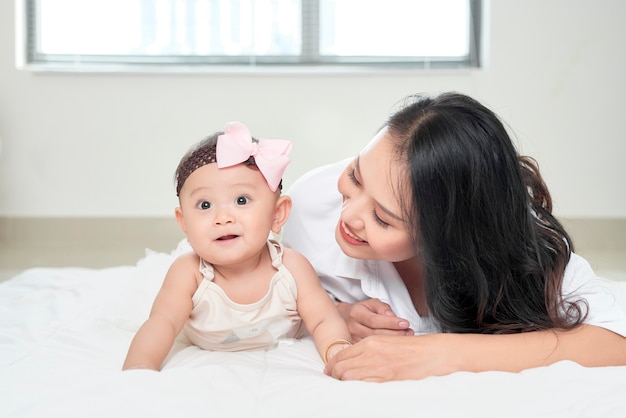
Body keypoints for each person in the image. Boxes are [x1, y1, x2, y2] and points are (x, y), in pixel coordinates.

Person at [282, 92, 626, 382]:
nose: (349, 216)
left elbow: (615, 340)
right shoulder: (312, 205)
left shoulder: (517, 247)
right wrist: (340, 314)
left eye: (383, 219)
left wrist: (445, 353)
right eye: (355, 177)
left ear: (447, 237)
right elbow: (274, 293)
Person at [123, 122, 351, 371]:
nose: (223, 218)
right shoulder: (189, 272)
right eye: (205, 205)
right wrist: (139, 368)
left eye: (241, 200)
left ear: (277, 214)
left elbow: (323, 319)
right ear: (184, 223)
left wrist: (338, 351)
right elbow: (162, 323)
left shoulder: (291, 267)